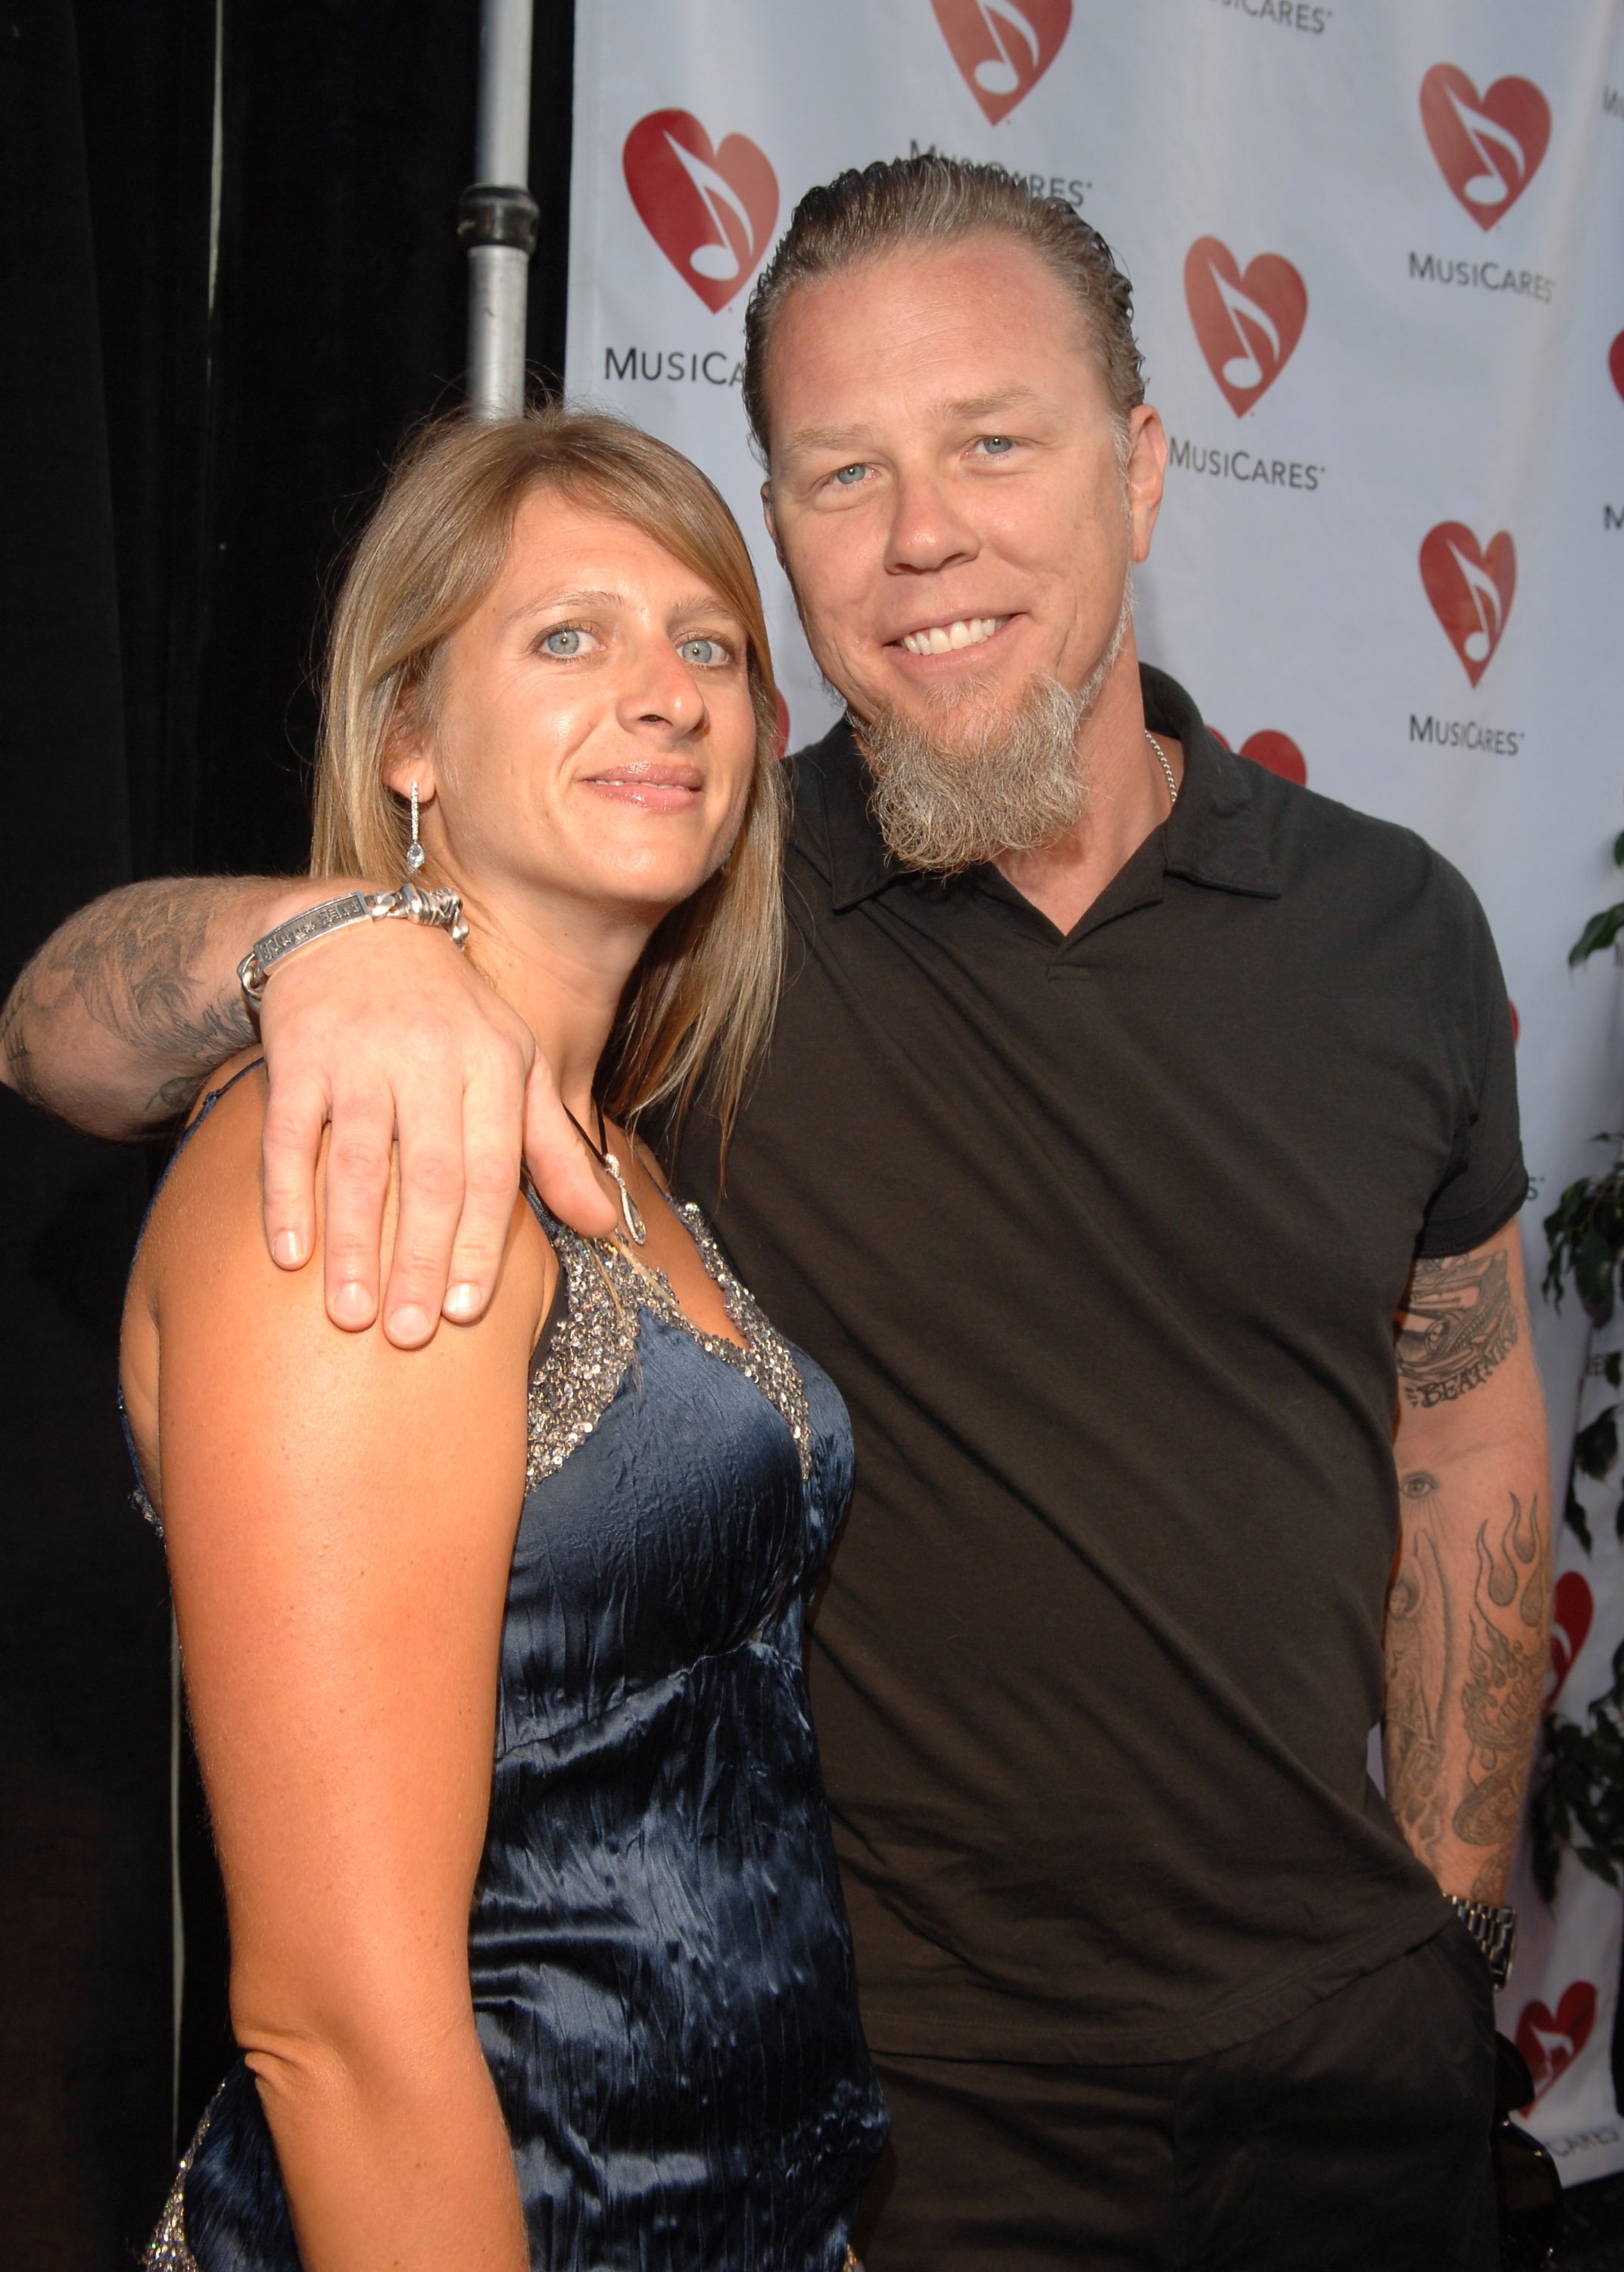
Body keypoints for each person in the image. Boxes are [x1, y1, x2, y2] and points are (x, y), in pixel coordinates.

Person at [7, 160, 1548, 2270]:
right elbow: (57, 1036)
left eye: (993, 442)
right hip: (920, 2142)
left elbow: (1461, 1420)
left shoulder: (1396, 931)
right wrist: (315, 938)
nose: (924, 533)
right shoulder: (708, 937)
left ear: (1146, 471)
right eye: (840, 474)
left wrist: (1453, 1932)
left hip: (1353, 2093)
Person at [116, 407, 886, 2270]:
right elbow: (344, 2037)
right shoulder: (358, 1160)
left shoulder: (609, 1147)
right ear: (404, 737)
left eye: (709, 644)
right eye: (569, 637)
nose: (667, 694)